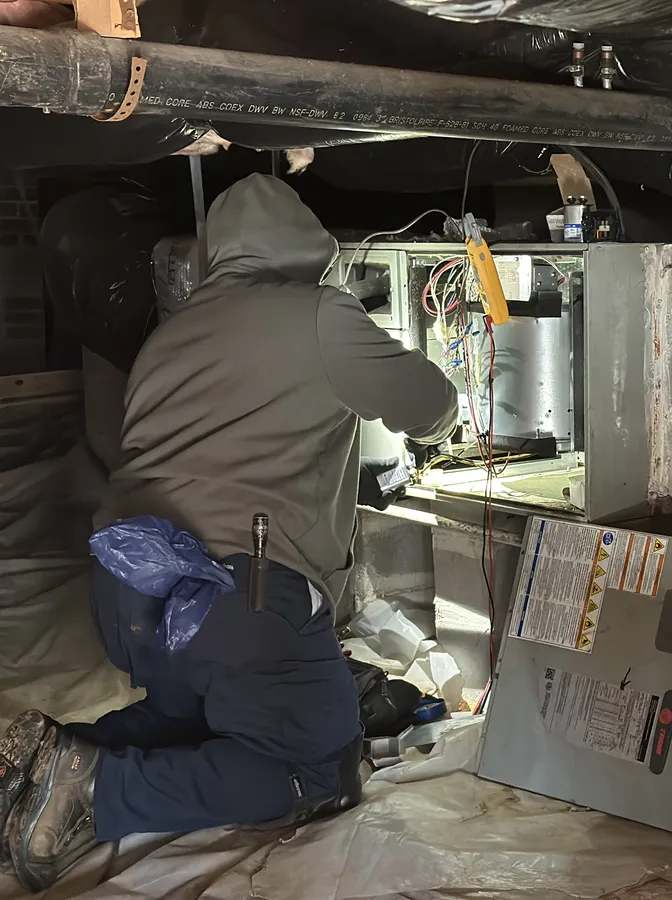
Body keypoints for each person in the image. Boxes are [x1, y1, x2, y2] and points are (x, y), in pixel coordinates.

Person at [0, 174, 459, 892]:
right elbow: (430, 406)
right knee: (316, 766)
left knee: (195, 719)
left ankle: (47, 763)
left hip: (126, 593)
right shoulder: (318, 315)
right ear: (309, 248)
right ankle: (97, 786)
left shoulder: (169, 333)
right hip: (230, 591)